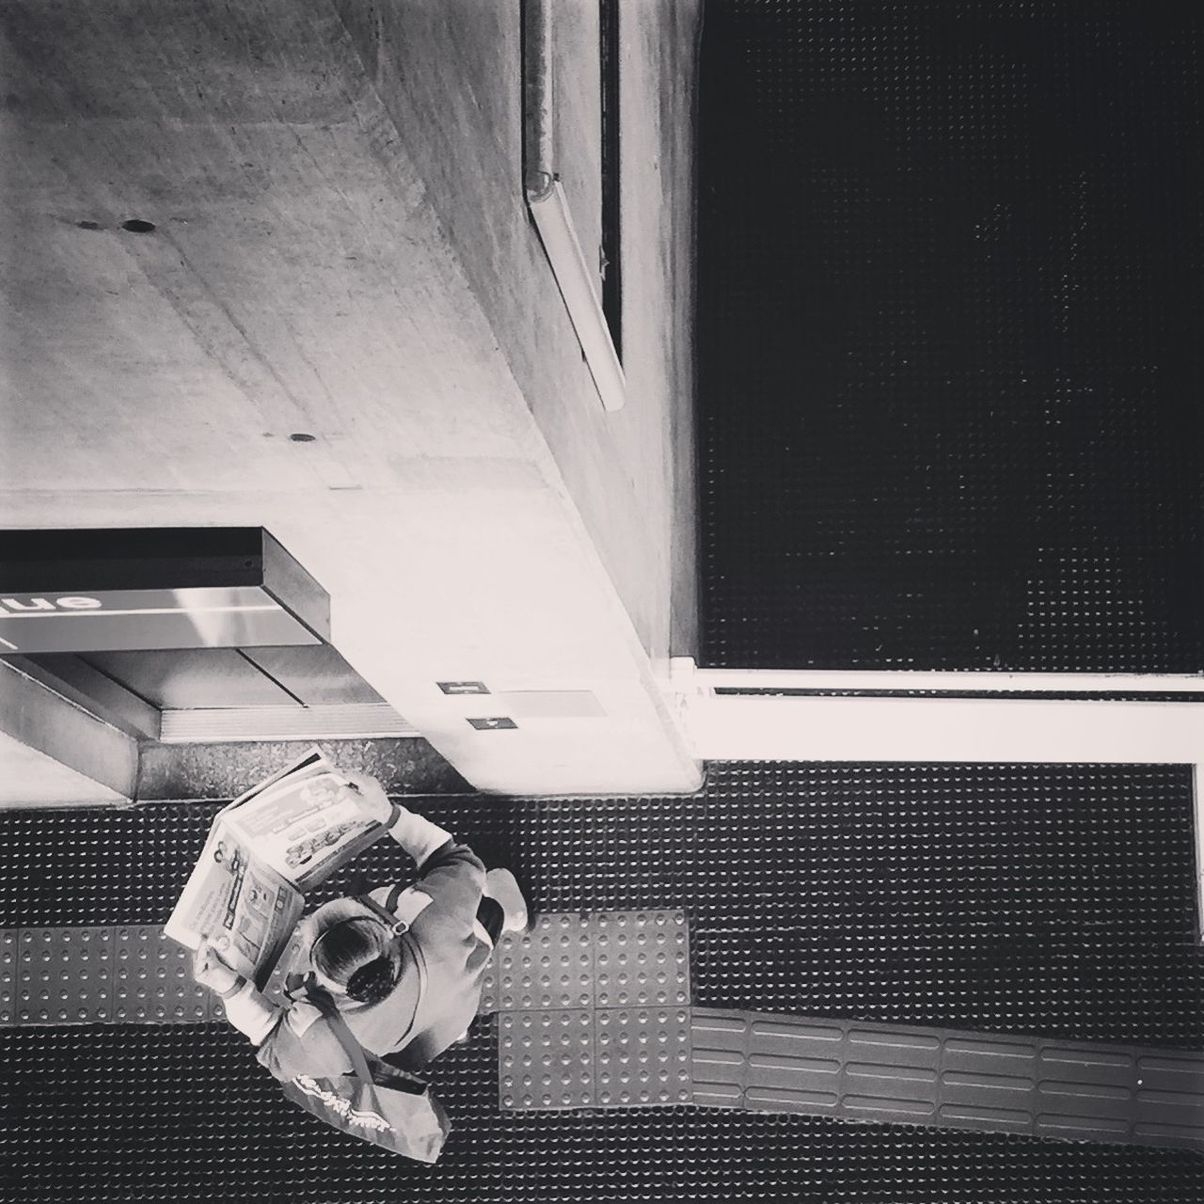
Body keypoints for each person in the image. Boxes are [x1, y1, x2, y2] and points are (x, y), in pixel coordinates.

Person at [192, 773, 529, 1081]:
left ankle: (452, 1029)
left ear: (325, 982)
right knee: (489, 916)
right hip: (453, 987)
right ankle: (512, 915)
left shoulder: (322, 1036)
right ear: (386, 928)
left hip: (419, 1041)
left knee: (435, 1023)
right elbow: (455, 859)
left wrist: (230, 987)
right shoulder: (433, 916)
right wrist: (387, 812)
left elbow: (271, 1040)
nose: (305, 923)